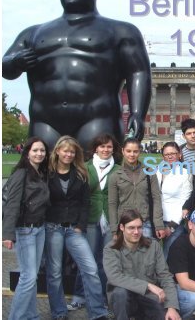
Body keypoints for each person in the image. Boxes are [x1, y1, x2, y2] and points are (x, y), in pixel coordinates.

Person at [2, 0, 151, 150]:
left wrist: (137, 113)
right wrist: (15, 62)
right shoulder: (34, 33)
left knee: (96, 174)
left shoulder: (120, 30)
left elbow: (138, 72)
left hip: (97, 118)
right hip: (46, 120)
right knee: (42, 173)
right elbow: (4, 67)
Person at [45, 135, 109, 319]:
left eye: (72, 151)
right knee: (54, 272)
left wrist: (81, 225)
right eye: (65, 150)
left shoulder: (80, 173)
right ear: (58, 151)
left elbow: (84, 202)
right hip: (53, 227)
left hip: (74, 229)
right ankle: (59, 311)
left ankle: (97, 311)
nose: (69, 154)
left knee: (90, 268)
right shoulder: (48, 173)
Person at [68, 133, 121, 311]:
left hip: (110, 219)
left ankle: (102, 297)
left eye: (109, 147)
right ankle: (79, 295)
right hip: (90, 219)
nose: (105, 150)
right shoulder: (85, 167)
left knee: (105, 261)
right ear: (95, 148)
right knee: (87, 260)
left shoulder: (118, 169)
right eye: (102, 146)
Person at [2, 137, 51, 320]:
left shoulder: (41, 173)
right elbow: (12, 204)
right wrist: (7, 234)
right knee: (28, 277)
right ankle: (17, 316)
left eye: (42, 151)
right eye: (35, 150)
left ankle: (31, 315)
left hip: (39, 229)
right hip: (25, 230)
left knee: (32, 277)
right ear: (27, 152)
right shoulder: (21, 174)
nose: (39, 154)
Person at [103, 209, 180, 320]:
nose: (136, 232)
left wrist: (172, 307)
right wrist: (148, 285)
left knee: (167, 316)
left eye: (139, 227)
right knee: (120, 293)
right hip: (125, 298)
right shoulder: (111, 249)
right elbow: (114, 277)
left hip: (148, 297)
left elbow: (165, 276)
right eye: (131, 228)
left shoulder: (153, 246)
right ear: (122, 228)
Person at [108, 138, 165, 240]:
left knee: (147, 254)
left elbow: (156, 198)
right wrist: (114, 229)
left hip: (145, 222)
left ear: (140, 151)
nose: (132, 154)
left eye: (135, 151)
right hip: (125, 223)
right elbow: (112, 204)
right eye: (128, 151)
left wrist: (158, 224)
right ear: (123, 151)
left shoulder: (149, 172)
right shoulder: (115, 175)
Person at [156, 142, 193, 258]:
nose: (170, 156)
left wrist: (171, 227)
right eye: (166, 154)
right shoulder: (156, 171)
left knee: (168, 256)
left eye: (173, 153)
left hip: (175, 223)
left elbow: (184, 202)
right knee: (154, 255)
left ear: (179, 155)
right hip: (157, 220)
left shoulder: (185, 174)